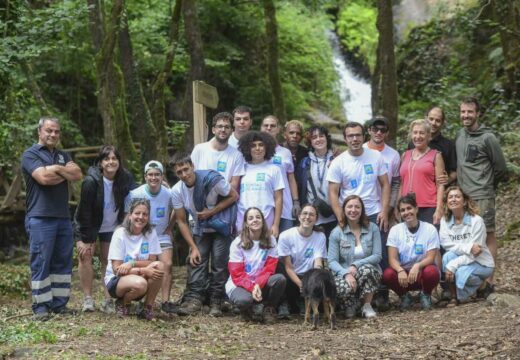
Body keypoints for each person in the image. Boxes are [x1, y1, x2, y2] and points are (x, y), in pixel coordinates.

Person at [21, 117, 83, 321]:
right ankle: (41, 306)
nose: (53, 135)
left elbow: (77, 174)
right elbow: (43, 178)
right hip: (39, 216)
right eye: (49, 131)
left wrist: (56, 169)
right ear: (39, 131)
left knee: (62, 261)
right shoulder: (30, 154)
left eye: (56, 131)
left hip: (62, 217)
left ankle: (59, 304)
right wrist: (59, 170)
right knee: (41, 261)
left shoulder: (63, 155)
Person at [171, 154, 239, 316]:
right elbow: (181, 221)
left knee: (220, 263)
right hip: (200, 228)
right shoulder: (177, 190)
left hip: (220, 225)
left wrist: (211, 212)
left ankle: (217, 300)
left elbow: (234, 196)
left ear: (192, 166)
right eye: (179, 172)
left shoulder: (212, 180)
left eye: (186, 169)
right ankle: (194, 299)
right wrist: (193, 247)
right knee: (196, 261)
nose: (184, 174)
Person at [456, 96, 508, 297]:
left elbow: (501, 169)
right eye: (463, 112)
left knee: (488, 235)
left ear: (478, 113)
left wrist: (487, 185)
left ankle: (489, 281)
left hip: (483, 195)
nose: (466, 115)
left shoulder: (488, 138)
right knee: (471, 238)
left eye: (470, 112)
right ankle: (475, 281)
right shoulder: (460, 135)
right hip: (463, 196)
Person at [74, 145, 136, 314]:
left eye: (114, 158)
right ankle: (88, 299)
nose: (111, 162)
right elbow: (83, 212)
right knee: (85, 256)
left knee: (108, 261)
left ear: (119, 161)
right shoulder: (90, 182)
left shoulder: (125, 178)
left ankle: (108, 299)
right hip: (91, 224)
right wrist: (81, 238)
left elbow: (138, 195)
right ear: (100, 163)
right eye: (106, 159)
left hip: (112, 226)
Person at [124, 160, 176, 313]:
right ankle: (144, 298)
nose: (154, 178)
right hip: (142, 235)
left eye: (157, 175)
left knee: (167, 264)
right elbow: (127, 215)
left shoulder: (169, 193)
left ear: (162, 176)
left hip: (161, 235)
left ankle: (166, 301)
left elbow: (177, 209)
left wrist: (170, 226)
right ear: (145, 176)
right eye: (150, 175)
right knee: (146, 265)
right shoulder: (135, 194)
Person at [104, 199, 164, 320]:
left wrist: (132, 263)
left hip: (134, 273)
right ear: (130, 215)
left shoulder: (151, 232)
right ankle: (123, 302)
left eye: (145, 214)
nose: (141, 217)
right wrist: (144, 271)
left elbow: (152, 261)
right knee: (140, 284)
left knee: (160, 266)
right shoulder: (120, 233)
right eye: (137, 213)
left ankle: (147, 308)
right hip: (116, 280)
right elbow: (117, 269)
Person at [363, 116, 400, 311]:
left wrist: (389, 209)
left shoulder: (393, 155)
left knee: (383, 252)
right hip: (362, 209)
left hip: (382, 210)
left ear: (387, 132)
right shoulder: (360, 150)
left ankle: (383, 293)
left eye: (383, 130)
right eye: (375, 129)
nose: (378, 133)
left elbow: (394, 183)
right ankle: (365, 294)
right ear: (369, 130)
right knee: (364, 250)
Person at [226, 207, 286, 323]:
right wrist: (252, 287)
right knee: (244, 300)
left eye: (258, 217)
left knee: (280, 279)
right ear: (246, 223)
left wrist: (257, 284)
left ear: (263, 221)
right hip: (240, 284)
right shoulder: (237, 243)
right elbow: (237, 274)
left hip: (261, 283)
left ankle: (269, 309)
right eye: (251, 218)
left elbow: (269, 268)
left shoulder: (271, 240)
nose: (255, 220)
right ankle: (247, 309)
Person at [327, 122, 390, 231]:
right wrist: (340, 217)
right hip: (349, 214)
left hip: (374, 213)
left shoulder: (376, 156)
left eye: (358, 135)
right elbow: (333, 192)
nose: (355, 139)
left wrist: (384, 211)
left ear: (364, 136)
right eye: (350, 136)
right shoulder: (337, 162)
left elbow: (385, 184)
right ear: (345, 139)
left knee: (378, 248)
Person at [383, 193, 440, 311]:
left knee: (432, 272)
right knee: (388, 274)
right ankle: (404, 296)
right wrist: (400, 270)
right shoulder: (395, 230)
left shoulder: (430, 229)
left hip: (421, 273)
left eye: (409, 208)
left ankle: (426, 295)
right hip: (403, 276)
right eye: (402, 210)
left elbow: (431, 257)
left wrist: (418, 266)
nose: (406, 212)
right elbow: (392, 258)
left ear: (416, 209)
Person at [328, 195, 382, 318]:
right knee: (342, 289)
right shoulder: (336, 232)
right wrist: (345, 273)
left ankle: (367, 305)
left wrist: (355, 265)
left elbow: (377, 256)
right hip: (345, 272)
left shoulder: (372, 228)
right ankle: (351, 304)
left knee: (366, 270)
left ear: (362, 210)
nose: (353, 210)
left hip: (366, 271)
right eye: (350, 206)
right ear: (344, 210)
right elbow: (332, 261)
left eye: (357, 207)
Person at [440, 186, 494, 306]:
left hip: (481, 262)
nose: (453, 199)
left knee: (460, 272)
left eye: (457, 196)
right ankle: (454, 296)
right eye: (450, 197)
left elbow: (477, 252)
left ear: (464, 201)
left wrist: (453, 265)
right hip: (465, 256)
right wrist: (468, 247)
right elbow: (446, 244)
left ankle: (480, 284)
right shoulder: (445, 221)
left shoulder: (476, 220)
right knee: (447, 257)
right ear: (446, 202)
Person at [278, 204, 327, 316]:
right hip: (291, 275)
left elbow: (318, 262)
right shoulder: (286, 236)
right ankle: (283, 303)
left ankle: (303, 302)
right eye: (305, 213)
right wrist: (301, 285)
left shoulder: (320, 236)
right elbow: (288, 267)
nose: (307, 217)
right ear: (299, 216)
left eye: (311, 215)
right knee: (281, 276)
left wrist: (314, 282)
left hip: (308, 275)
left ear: (316, 219)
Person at [237, 131, 285, 237]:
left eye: (261, 145)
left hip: (267, 218)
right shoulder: (241, 168)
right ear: (247, 149)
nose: (257, 148)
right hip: (243, 218)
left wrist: (276, 225)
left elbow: (279, 198)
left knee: (266, 252)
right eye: (253, 146)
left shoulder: (274, 169)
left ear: (267, 147)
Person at [399, 119, 445, 225]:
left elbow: (440, 184)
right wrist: (399, 206)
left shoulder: (436, 155)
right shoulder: (405, 155)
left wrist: (439, 209)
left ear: (428, 135)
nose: (418, 136)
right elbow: (401, 183)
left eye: (422, 133)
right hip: (407, 207)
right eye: (415, 132)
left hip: (428, 207)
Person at [295, 125, 337, 239]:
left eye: (321, 136)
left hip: (335, 214)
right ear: (310, 142)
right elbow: (299, 186)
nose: (318, 139)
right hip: (313, 216)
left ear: (327, 138)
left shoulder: (337, 159)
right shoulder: (305, 162)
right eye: (314, 137)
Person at [261, 115, 301, 232]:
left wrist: (296, 202)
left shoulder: (285, 153)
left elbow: (291, 178)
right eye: (265, 125)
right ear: (261, 128)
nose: (269, 128)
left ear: (278, 129)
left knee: (284, 243)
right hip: (262, 206)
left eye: (272, 126)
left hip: (285, 205)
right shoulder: (254, 151)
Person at [191, 112, 245, 190]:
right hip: (199, 197)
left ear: (231, 131)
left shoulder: (237, 155)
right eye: (220, 126)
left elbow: (234, 185)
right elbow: (191, 175)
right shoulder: (199, 149)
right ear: (213, 130)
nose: (223, 130)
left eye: (227, 127)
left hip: (224, 198)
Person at [408, 106, 457, 185]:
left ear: (442, 123)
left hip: (437, 191)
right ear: (425, 118)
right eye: (431, 119)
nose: (433, 123)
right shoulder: (414, 142)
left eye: (438, 120)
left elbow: (454, 171)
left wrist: (447, 180)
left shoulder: (449, 145)